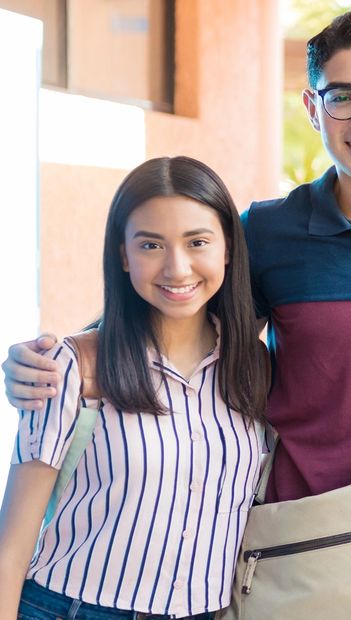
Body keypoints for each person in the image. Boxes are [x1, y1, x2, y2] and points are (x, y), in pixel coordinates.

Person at [2, 10, 351, 618]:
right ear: (312, 108)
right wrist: (66, 356)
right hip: (308, 551)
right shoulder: (268, 232)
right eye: (342, 97)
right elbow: (181, 308)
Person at [0, 157, 268, 619]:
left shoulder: (252, 368)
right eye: (150, 245)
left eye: (197, 242)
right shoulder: (73, 365)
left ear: (227, 248)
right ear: (123, 255)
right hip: (74, 608)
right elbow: (12, 545)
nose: (177, 268)